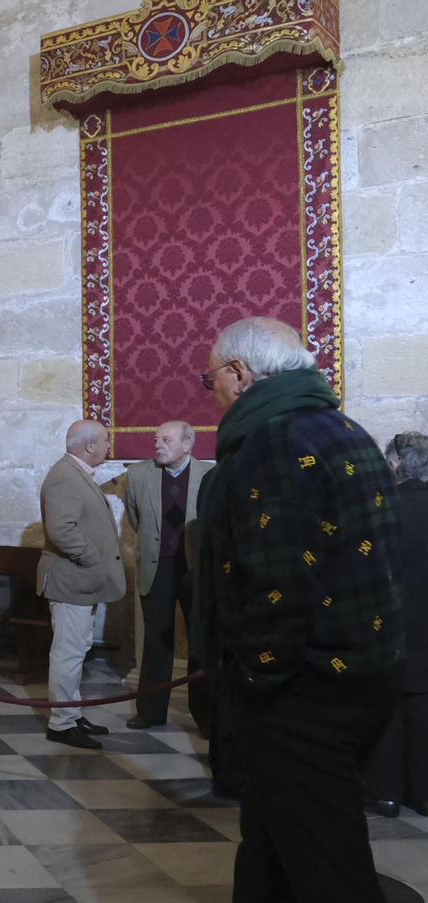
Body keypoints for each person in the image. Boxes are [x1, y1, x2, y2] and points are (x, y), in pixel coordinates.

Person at [194, 317, 402, 903]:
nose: (211, 393)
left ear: (239, 374)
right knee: (271, 842)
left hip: (307, 694)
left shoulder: (272, 442)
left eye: (210, 379)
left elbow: (279, 586)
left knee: (328, 868)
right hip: (364, 672)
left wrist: (254, 679)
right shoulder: (343, 428)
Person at [38, 419, 124, 749]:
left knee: (76, 651)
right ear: (89, 446)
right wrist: (92, 557)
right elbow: (61, 530)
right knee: (68, 653)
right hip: (70, 581)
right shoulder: (65, 475)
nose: (108, 446)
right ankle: (61, 724)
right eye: (105, 441)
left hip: (81, 582)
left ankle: (71, 714)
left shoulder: (76, 473)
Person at [122, 421, 213, 731]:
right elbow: (135, 517)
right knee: (156, 640)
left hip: (195, 569)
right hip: (157, 566)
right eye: (156, 440)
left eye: (166, 440)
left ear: (187, 445)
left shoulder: (209, 475)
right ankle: (150, 712)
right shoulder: (138, 475)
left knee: (200, 642)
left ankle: (205, 715)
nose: (158, 445)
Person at [370, 433, 428, 818]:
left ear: (395, 465)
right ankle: (423, 793)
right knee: (422, 704)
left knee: (387, 702)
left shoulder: (384, 506)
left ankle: (386, 793)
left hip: (389, 617)